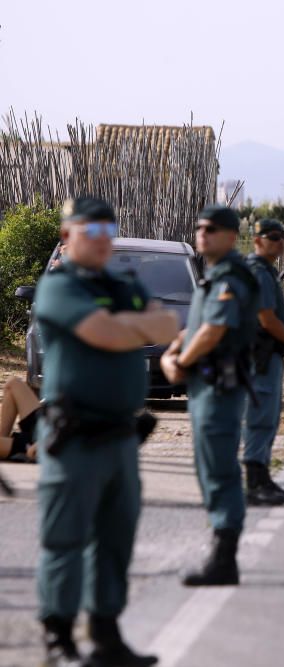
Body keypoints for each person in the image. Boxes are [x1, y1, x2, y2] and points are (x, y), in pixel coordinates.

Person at [33, 196, 178, 666]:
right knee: (66, 539)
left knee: (115, 541)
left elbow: (169, 323)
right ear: (66, 236)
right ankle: (59, 638)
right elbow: (110, 334)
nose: (101, 241)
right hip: (74, 436)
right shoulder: (58, 287)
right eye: (90, 232)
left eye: (107, 231)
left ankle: (106, 635)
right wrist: (137, 326)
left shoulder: (120, 282)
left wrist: (131, 323)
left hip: (121, 435)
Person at [161, 205, 260, 586]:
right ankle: (220, 549)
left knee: (219, 469)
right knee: (208, 467)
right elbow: (195, 328)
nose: (203, 233)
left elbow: (213, 331)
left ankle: (224, 558)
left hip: (220, 386)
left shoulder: (231, 277)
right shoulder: (213, 275)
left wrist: (180, 363)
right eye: (200, 227)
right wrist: (173, 352)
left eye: (212, 228)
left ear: (232, 236)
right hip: (205, 386)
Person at [243, 219, 284, 506]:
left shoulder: (265, 271)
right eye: (272, 237)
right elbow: (266, 318)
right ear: (257, 240)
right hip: (261, 358)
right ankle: (255, 483)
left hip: (270, 357)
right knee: (260, 419)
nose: (279, 242)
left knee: (269, 419)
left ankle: (264, 478)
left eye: (281, 237)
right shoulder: (257, 272)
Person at [0, 376, 41, 462]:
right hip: (48, 424)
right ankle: (3, 443)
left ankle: (4, 446)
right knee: (13, 384)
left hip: (51, 440)